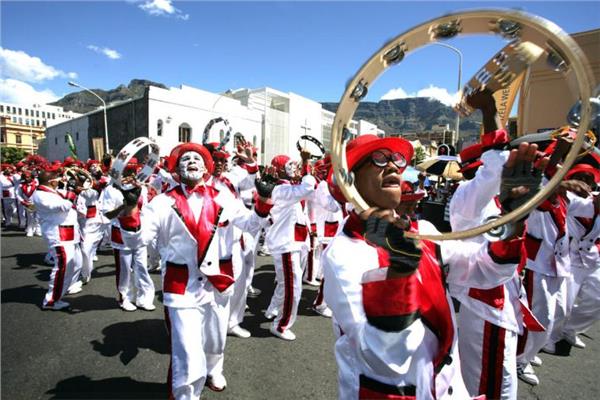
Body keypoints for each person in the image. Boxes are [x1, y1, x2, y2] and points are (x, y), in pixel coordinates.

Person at [321, 130, 547, 399]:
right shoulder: (344, 253)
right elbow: (383, 358)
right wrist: (399, 270)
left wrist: (512, 218)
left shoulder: (424, 231)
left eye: (395, 159)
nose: (393, 164)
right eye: (379, 159)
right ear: (349, 183)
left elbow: (488, 271)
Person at [117, 142, 272, 398]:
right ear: (176, 169)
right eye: (185, 159)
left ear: (206, 167)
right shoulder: (162, 203)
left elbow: (250, 224)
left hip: (218, 283)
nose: (191, 161)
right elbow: (137, 241)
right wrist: (131, 210)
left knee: (215, 341)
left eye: (197, 158)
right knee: (187, 352)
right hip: (181, 287)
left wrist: (264, 200)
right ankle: (186, 395)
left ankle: (213, 369)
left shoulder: (223, 196)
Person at [264, 150, 316, 340]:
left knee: (285, 283)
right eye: (289, 166)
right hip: (287, 244)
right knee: (293, 287)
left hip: (295, 241)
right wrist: (306, 163)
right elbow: (308, 187)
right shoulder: (281, 190)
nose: (294, 169)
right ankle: (281, 324)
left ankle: (271, 310)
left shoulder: (286, 188)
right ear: (279, 171)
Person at [32, 167, 83, 310]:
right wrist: (72, 192)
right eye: (57, 179)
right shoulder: (41, 195)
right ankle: (51, 300)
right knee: (62, 266)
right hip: (58, 234)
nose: (60, 180)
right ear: (51, 182)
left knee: (73, 264)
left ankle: (62, 289)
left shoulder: (52, 191)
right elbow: (64, 206)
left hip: (67, 232)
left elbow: (66, 195)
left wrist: (76, 189)